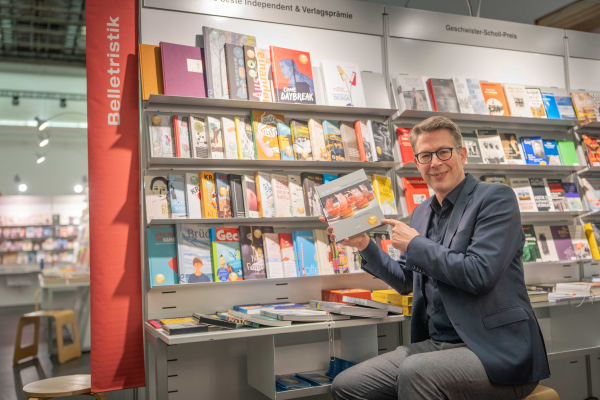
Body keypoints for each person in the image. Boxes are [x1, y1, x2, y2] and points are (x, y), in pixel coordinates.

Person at [321, 116, 549, 400]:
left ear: (462, 155)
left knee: (416, 372)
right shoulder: (421, 213)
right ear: (417, 164)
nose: (435, 163)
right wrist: (364, 244)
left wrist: (415, 243)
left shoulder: (496, 199)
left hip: (497, 350)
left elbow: (479, 274)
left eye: (443, 152)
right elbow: (406, 280)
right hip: (437, 345)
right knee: (347, 385)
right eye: (425, 156)